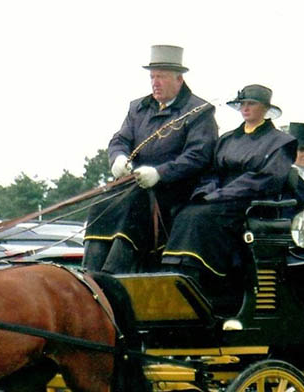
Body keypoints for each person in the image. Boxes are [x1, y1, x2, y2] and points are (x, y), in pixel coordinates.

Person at [86, 44, 217, 274]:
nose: (155, 82)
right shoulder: (138, 108)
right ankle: (88, 274)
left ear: (179, 80)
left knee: (133, 204)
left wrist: (160, 174)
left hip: (177, 191)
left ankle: (112, 275)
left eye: (162, 77)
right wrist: (118, 158)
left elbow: (198, 156)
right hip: (136, 186)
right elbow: (119, 140)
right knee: (101, 204)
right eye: (153, 77)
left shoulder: (199, 111)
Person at [160, 84, 296, 304]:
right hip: (218, 198)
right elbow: (211, 172)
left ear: (265, 108)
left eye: (251, 103)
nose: (245, 108)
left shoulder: (281, 142)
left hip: (251, 202)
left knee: (200, 217)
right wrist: (207, 192)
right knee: (185, 211)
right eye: (243, 103)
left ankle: (199, 278)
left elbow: (266, 179)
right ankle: (176, 270)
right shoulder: (227, 139)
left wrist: (221, 195)